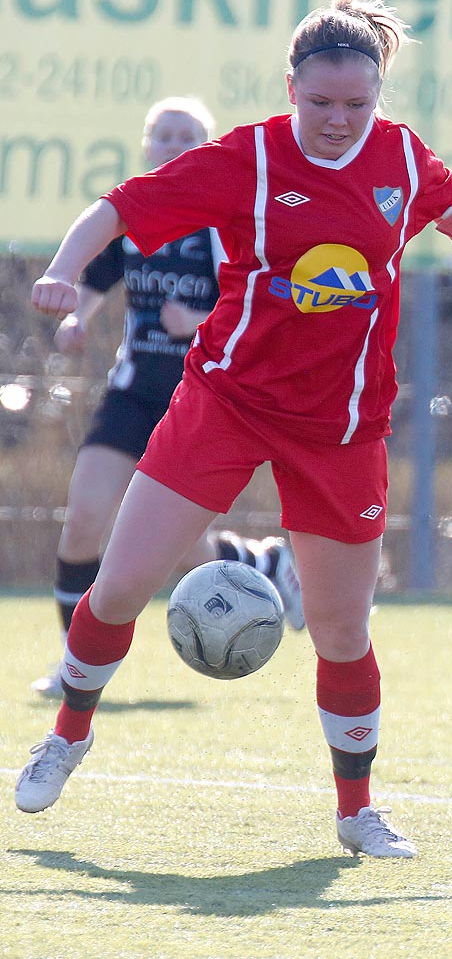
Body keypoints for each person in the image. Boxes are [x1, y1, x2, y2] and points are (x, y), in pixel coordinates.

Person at [16, 0, 452, 859]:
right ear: (290, 88)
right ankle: (68, 735)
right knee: (116, 587)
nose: (340, 119)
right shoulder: (248, 160)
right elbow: (119, 208)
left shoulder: (403, 161)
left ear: (379, 93)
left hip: (342, 430)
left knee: (342, 631)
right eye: (322, 101)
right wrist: (68, 269)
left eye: (358, 101)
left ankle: (356, 812)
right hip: (224, 404)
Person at [32, 96, 305, 699]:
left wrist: (200, 318)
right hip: (134, 392)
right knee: (82, 522)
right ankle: (73, 667)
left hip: (202, 392)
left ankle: (261, 565)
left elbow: (266, 302)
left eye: (188, 135)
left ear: (205, 147)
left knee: (182, 550)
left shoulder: (222, 224)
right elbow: (93, 285)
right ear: (148, 147)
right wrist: (74, 320)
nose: (174, 144)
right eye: (164, 135)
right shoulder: (132, 221)